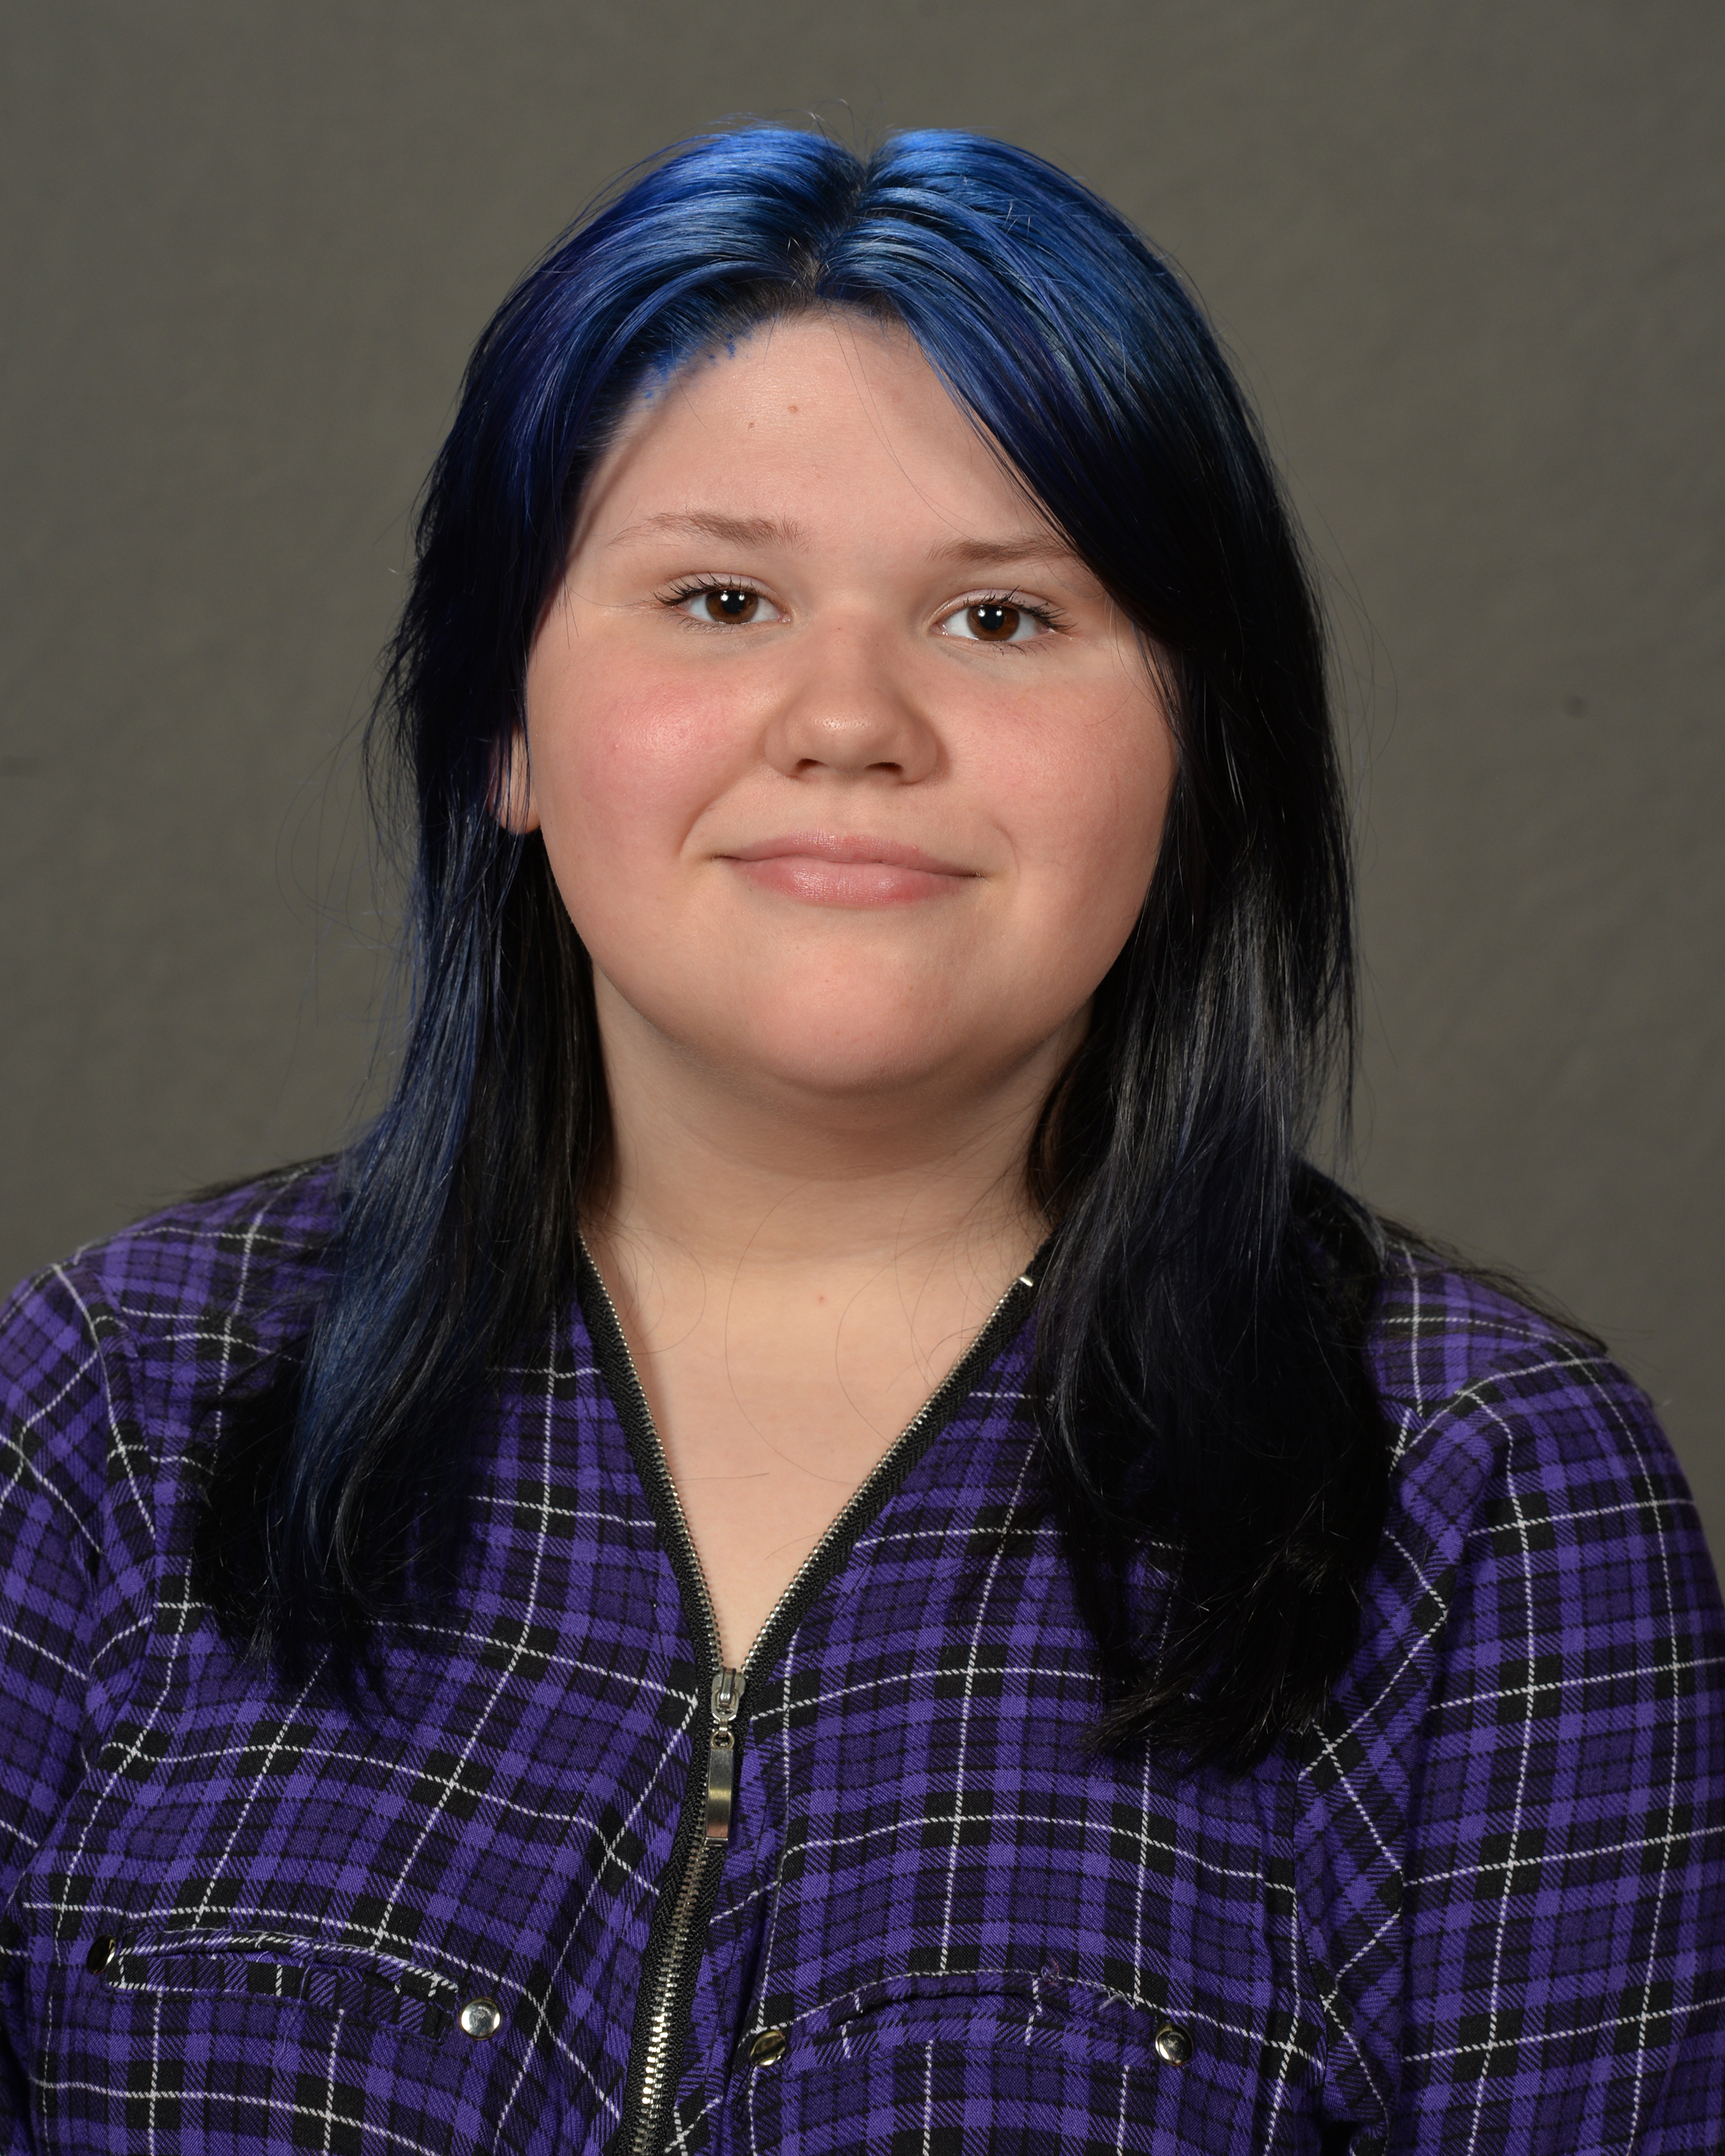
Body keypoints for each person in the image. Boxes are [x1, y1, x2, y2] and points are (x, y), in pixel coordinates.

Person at [0, 126, 1719, 2156]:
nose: (848, 720)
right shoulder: (116, 1412)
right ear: (507, 728)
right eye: (720, 597)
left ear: (1203, 745)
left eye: (1000, 618)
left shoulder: (1482, 1496)